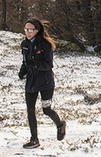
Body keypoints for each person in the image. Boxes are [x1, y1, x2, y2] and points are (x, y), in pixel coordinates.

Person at [19, 19, 66, 148]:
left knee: (46, 110)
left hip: (45, 82)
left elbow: (48, 65)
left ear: (37, 30)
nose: (28, 32)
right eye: (26, 29)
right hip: (31, 81)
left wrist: (35, 65)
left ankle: (60, 124)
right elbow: (25, 61)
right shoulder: (24, 44)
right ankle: (34, 139)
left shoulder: (45, 45)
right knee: (30, 110)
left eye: (31, 30)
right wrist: (23, 71)